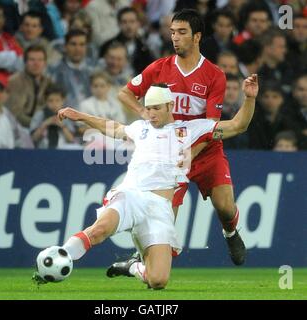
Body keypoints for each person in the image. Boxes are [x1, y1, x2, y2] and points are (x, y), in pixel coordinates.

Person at [33, 75, 258, 289]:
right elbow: (111, 126)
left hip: (160, 209)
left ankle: (133, 267)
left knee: (158, 280)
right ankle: (59, 257)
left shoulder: (190, 130)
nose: (150, 113)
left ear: (170, 107)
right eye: (148, 108)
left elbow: (238, 125)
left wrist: (249, 98)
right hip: (131, 196)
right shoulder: (139, 128)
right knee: (99, 230)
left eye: (156, 108)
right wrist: (81, 116)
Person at [109, 8, 247, 273]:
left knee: (225, 208)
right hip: (168, 155)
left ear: (197, 37)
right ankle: (140, 264)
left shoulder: (214, 74)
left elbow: (210, 127)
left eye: (182, 32)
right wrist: (144, 113)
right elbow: (125, 93)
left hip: (204, 150)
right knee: (162, 223)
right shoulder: (159, 68)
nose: (175, 38)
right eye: (172, 32)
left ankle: (231, 235)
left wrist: (188, 154)